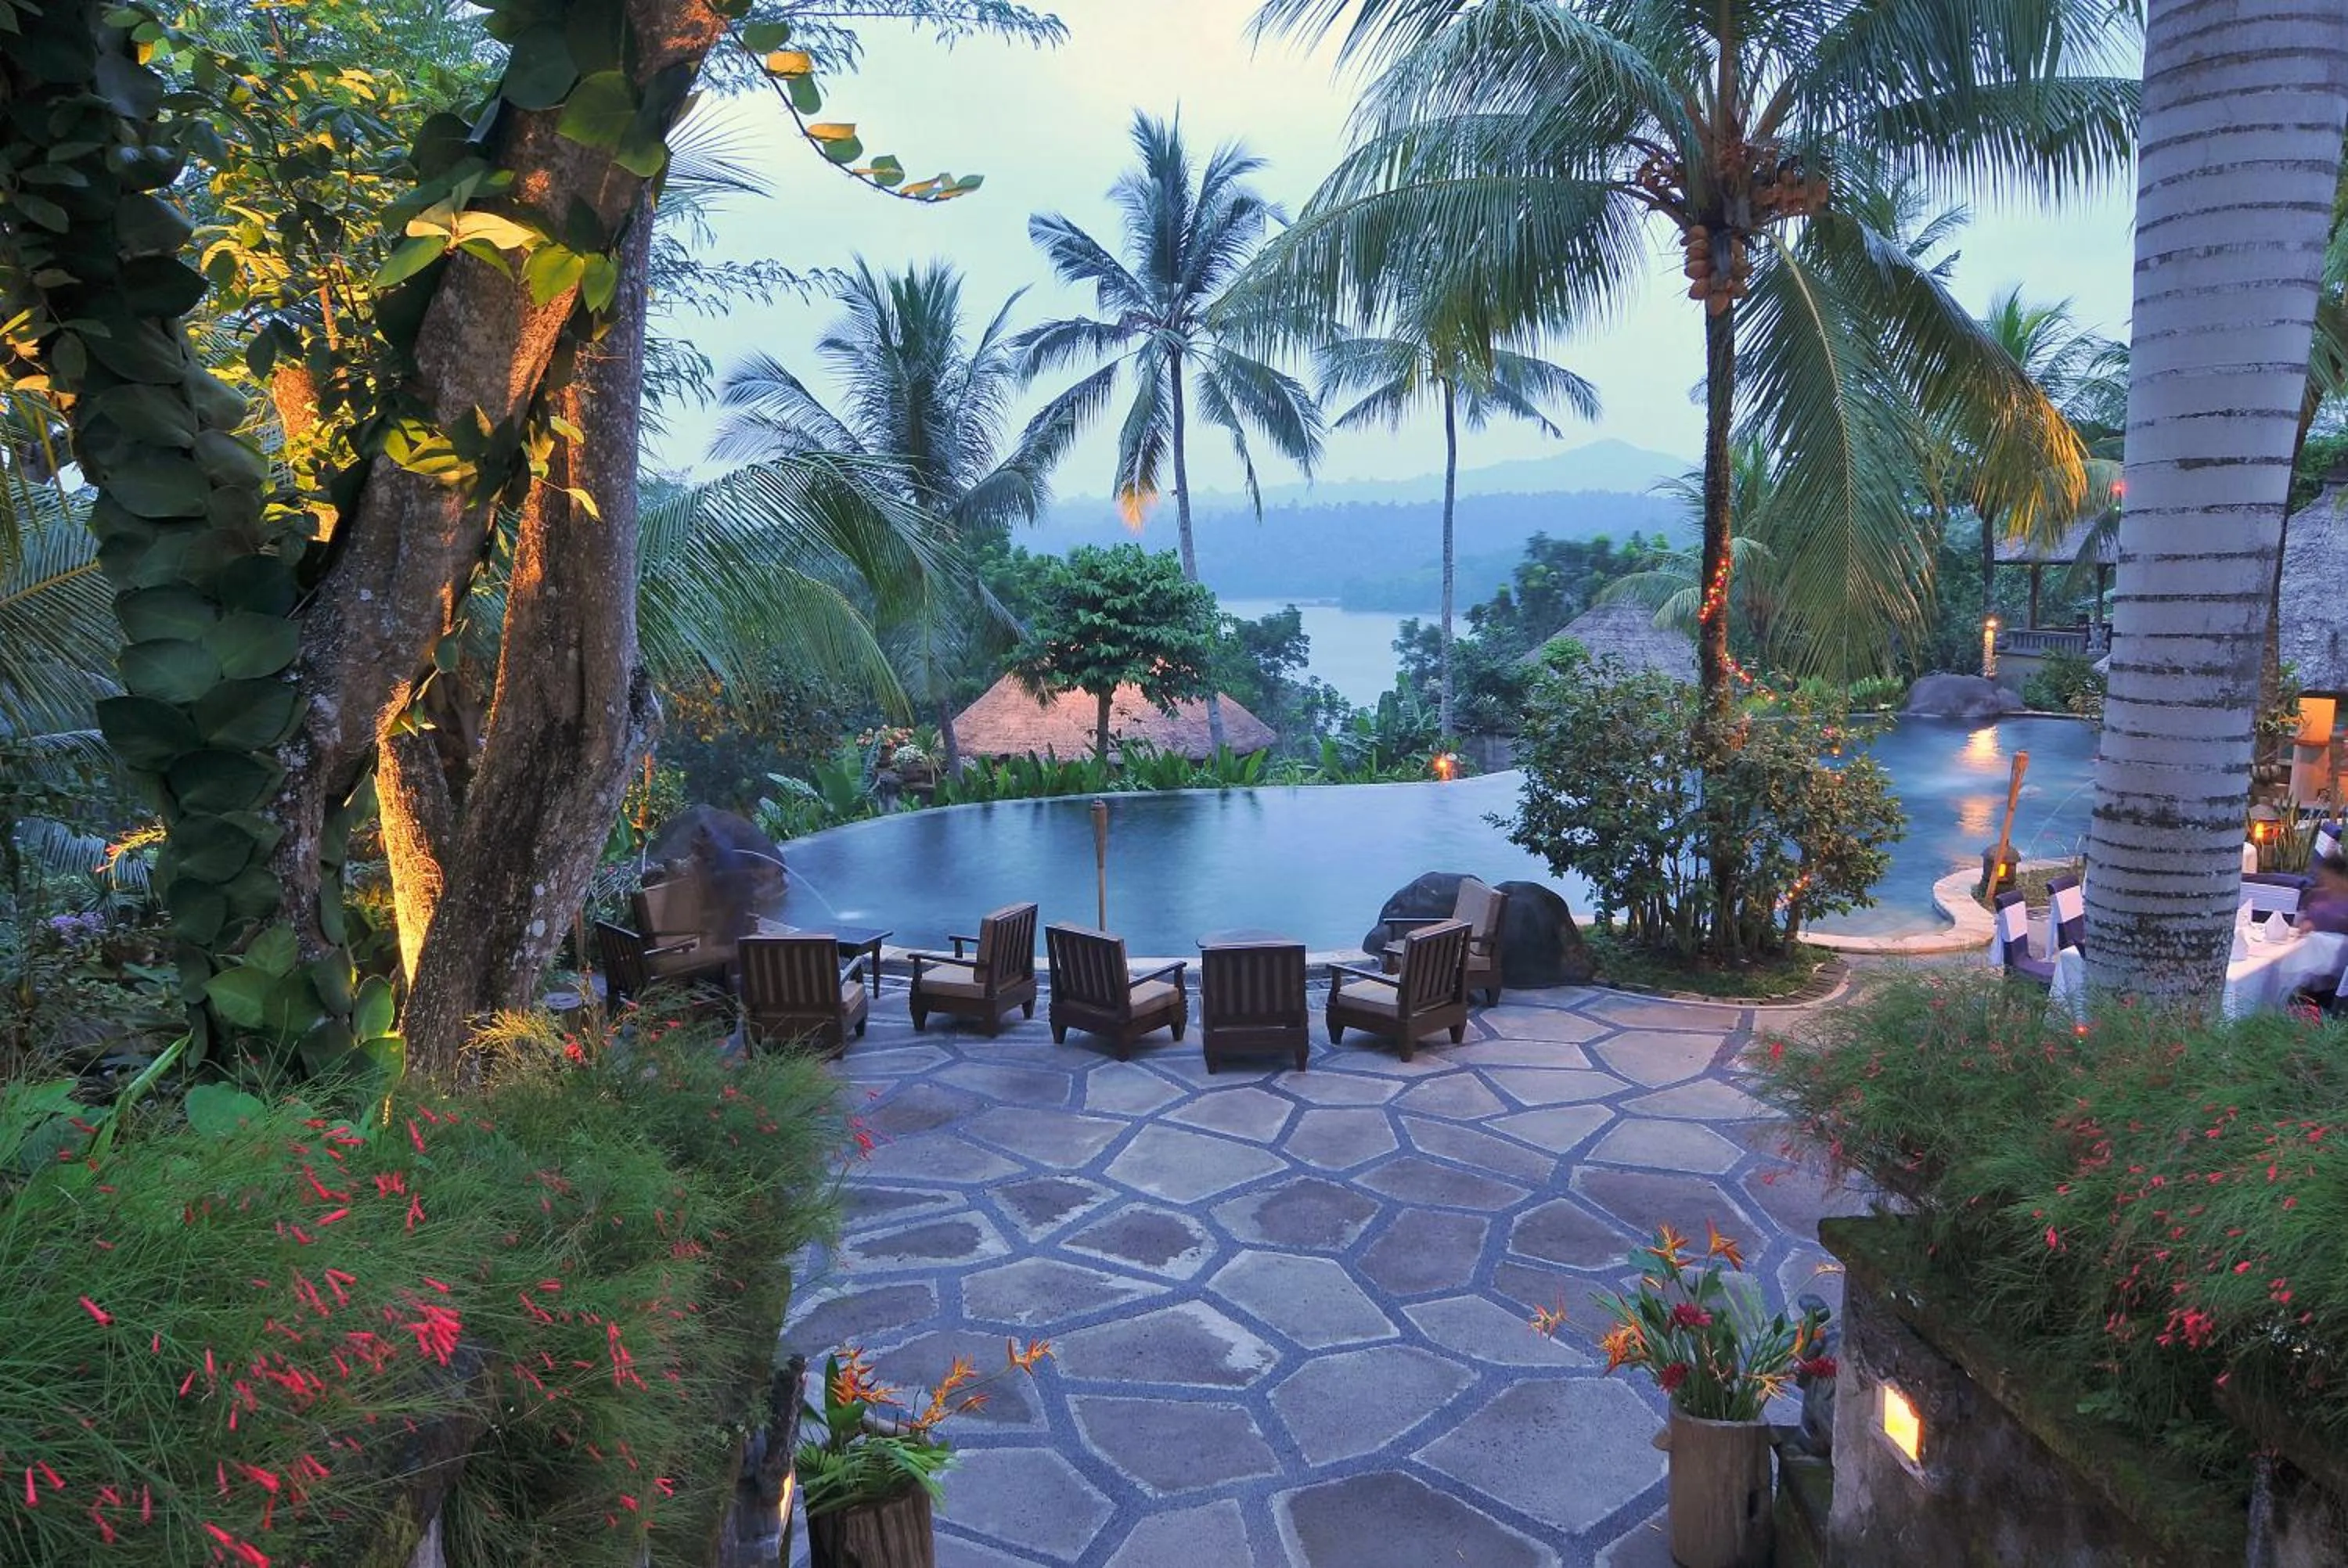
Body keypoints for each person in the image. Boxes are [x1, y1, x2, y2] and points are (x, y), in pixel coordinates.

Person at [2296, 847, 2348, 935]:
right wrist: (2306, 923)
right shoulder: (2314, 895)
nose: (2324, 881)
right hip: (2312, 941)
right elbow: (2300, 921)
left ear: (2342, 877)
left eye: (2330, 878)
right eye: (2324, 878)